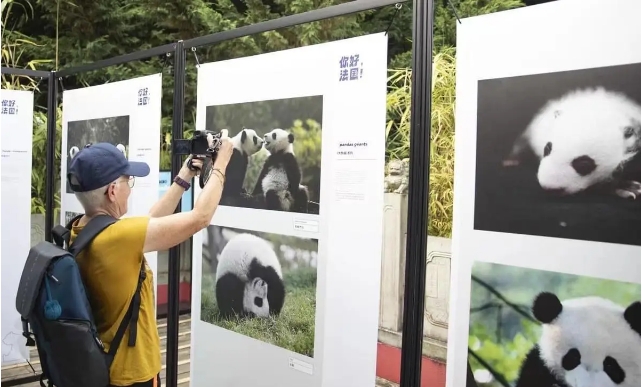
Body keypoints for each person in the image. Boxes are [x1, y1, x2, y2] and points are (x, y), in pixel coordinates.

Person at [66, 130, 233, 387]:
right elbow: (200, 217)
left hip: (105, 365)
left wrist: (185, 175)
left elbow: (150, 221)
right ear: (112, 191)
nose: (130, 189)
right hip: (132, 374)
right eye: (128, 181)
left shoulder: (80, 229)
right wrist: (221, 163)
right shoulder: (117, 237)